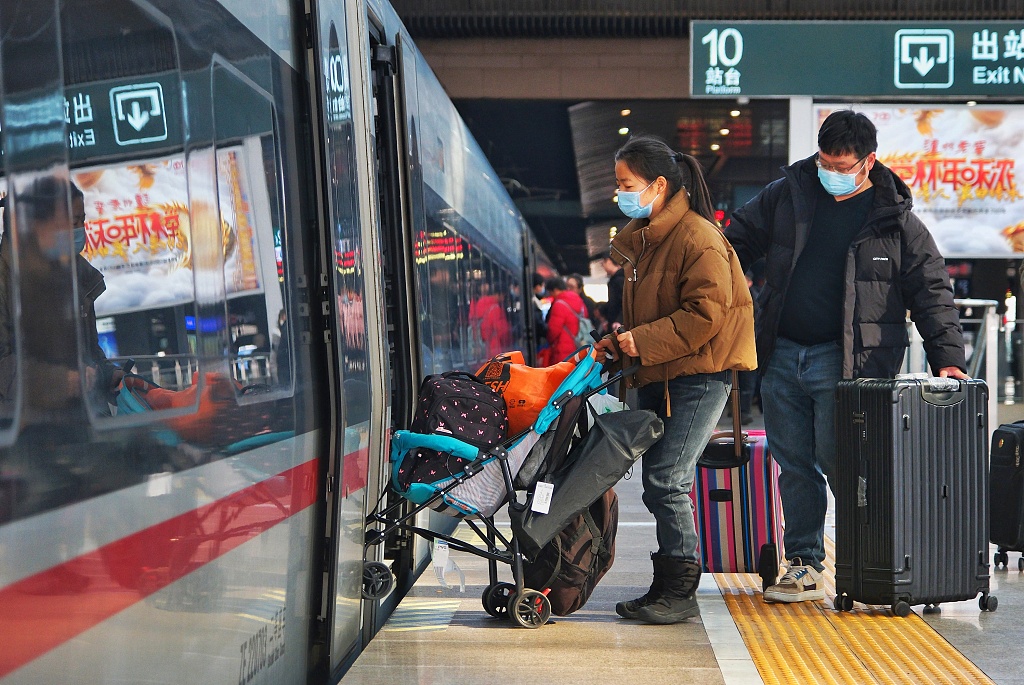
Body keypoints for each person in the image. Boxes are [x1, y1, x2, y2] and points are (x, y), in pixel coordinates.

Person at [724, 109, 968, 604]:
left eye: (842, 164)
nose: (830, 172)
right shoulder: (787, 196)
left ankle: (870, 562)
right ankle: (805, 563)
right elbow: (731, 244)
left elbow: (931, 290)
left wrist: (948, 357)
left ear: (869, 161)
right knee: (792, 463)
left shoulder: (896, 221)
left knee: (845, 464)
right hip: (782, 353)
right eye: (824, 161)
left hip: (849, 364)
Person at [595, 135, 756, 624]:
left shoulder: (697, 237)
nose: (619, 193)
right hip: (666, 373)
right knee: (659, 480)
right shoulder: (650, 238)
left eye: (627, 184)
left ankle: (680, 590)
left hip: (699, 377)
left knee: (667, 481)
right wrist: (624, 339)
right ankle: (666, 586)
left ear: (658, 185)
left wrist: (639, 341)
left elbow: (705, 314)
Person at [0, 179, 121, 415]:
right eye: (71, 222)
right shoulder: (5, 281)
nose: (79, 230)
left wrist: (110, 375)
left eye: (81, 221)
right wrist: (62, 382)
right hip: (26, 434)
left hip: (84, 423)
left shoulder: (76, 275)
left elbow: (89, 352)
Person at [541, 276, 587, 365]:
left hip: (563, 350)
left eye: (550, 292)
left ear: (555, 290)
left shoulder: (559, 304)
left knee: (563, 376)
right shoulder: (579, 300)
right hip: (579, 346)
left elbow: (554, 330)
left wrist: (549, 340)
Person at [598, 251, 624, 334]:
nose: (603, 266)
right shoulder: (616, 279)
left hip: (618, 325)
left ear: (609, 261)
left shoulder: (619, 280)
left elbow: (624, 302)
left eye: (603, 263)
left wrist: (619, 320)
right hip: (615, 323)